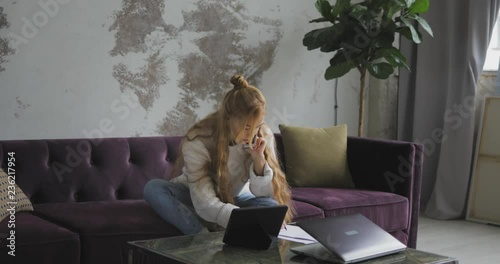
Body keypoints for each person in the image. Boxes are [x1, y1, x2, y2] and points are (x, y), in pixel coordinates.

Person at [144, 75, 295, 235]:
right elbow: (204, 202)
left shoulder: (262, 135)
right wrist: (240, 220)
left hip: (235, 197)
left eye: (257, 126)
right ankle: (201, 236)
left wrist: (259, 160)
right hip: (194, 196)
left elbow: (264, 194)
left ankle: (237, 240)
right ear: (229, 119)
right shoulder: (198, 140)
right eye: (247, 126)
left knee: (271, 207)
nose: (252, 133)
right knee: (153, 188)